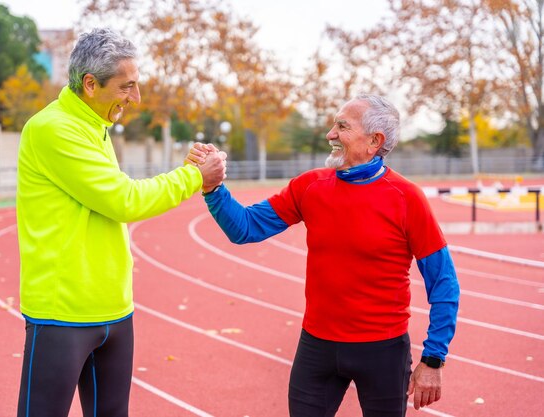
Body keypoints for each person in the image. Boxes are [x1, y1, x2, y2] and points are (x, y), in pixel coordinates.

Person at [193, 94, 460, 416]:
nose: (330, 134)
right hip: (316, 348)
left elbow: (444, 282)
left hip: (383, 351)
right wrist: (213, 188)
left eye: (342, 126)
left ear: (374, 141)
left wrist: (433, 359)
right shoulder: (309, 187)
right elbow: (245, 228)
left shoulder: (407, 198)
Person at [15, 28, 226, 417]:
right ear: (90, 84)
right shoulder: (53, 128)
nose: (136, 98)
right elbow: (124, 200)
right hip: (63, 313)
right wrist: (195, 177)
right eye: (127, 87)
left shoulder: (96, 125)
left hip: (114, 308)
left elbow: (115, 197)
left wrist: (188, 171)